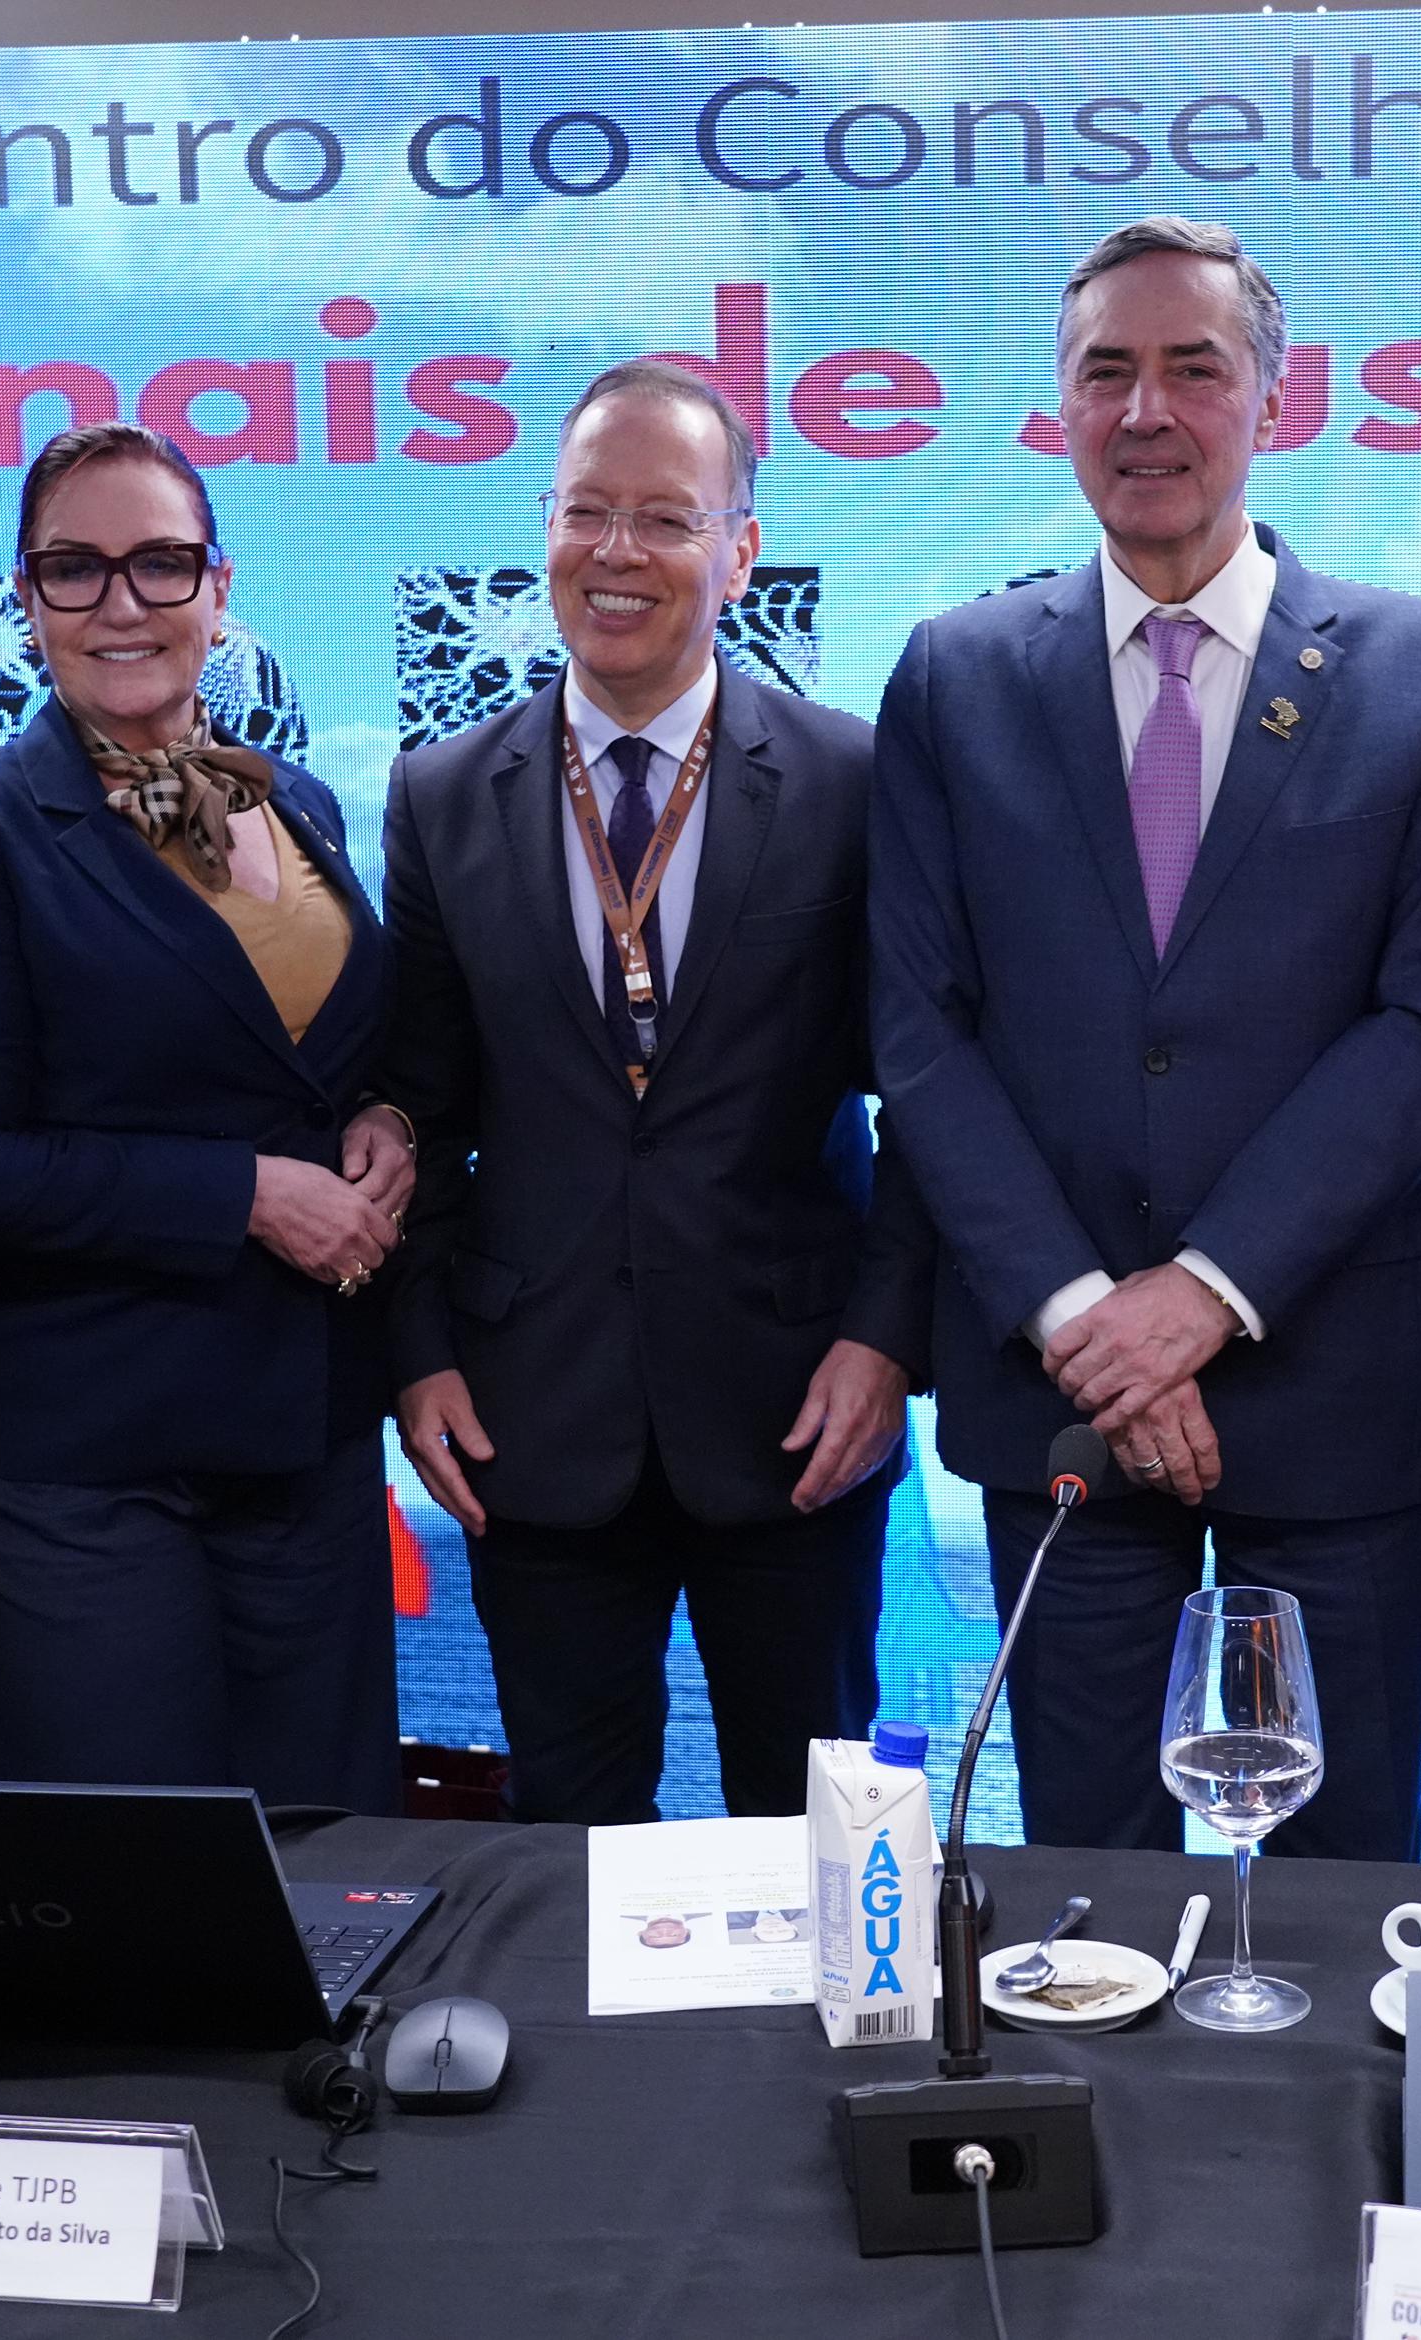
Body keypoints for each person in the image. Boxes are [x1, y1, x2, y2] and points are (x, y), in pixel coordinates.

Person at [870, 217, 1421, 1860]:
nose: (1146, 409)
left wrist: (1203, 1294)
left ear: (1273, 401)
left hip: (1327, 1374)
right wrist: (1094, 1316)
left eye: (1192, 369)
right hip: (1057, 1384)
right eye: (1106, 373)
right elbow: (919, 1033)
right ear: (1059, 408)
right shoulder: (954, 678)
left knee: (1343, 1864)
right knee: (1081, 1874)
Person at [379, 362, 932, 1824]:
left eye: (667, 520)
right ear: (544, 528)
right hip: (529, 1424)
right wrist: (417, 1353)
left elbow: (933, 1098)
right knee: (567, 1857)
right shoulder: (440, 795)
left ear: (739, 550)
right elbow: (419, 1107)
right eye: (587, 512)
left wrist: (885, 1341)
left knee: (819, 1843)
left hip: (798, 1420)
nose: (618, 553)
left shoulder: (853, 784)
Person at [0, 421, 408, 1806]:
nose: (122, 605)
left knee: (335, 1883)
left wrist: (386, 1115)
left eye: (161, 565)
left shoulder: (299, 806)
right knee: (123, 1906)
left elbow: (295, 1051)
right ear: (25, 598)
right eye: (76, 570)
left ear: (220, 589)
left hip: (308, 1447)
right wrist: (244, 1194)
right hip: (79, 1471)